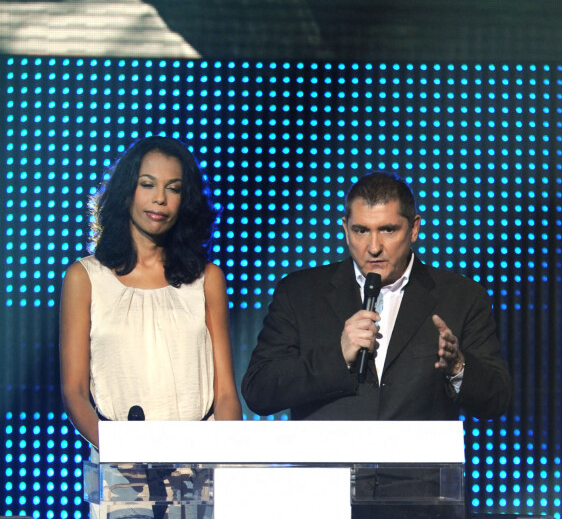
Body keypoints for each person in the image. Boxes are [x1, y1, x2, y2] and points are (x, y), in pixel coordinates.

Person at [60, 135, 242, 516]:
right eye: (148, 184)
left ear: (185, 201)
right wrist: (120, 453)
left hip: (198, 471)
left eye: (173, 189)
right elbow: (74, 391)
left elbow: (225, 393)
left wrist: (230, 464)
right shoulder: (84, 277)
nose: (159, 199)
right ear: (127, 190)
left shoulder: (206, 279)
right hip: (121, 475)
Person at [242, 171, 511, 421]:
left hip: (416, 471)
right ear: (346, 229)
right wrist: (338, 356)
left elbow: (497, 400)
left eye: (388, 230)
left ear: (414, 229)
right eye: (361, 230)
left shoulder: (460, 297)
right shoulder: (300, 293)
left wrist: (458, 368)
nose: (373, 247)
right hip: (330, 469)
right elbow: (259, 390)